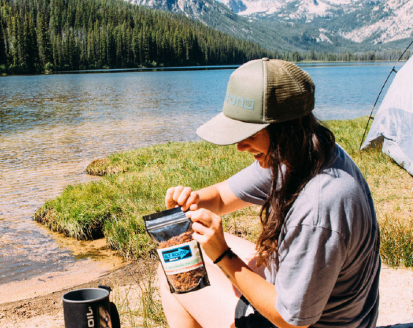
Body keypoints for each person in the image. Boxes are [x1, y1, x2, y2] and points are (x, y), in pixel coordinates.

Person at [158, 58, 380, 328]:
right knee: (184, 250)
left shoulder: (320, 203)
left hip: (300, 323)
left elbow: (290, 321)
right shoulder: (303, 154)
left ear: (290, 124)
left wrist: (222, 256)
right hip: (326, 314)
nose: (240, 145)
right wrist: (188, 202)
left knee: (175, 265)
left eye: (249, 132)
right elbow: (220, 196)